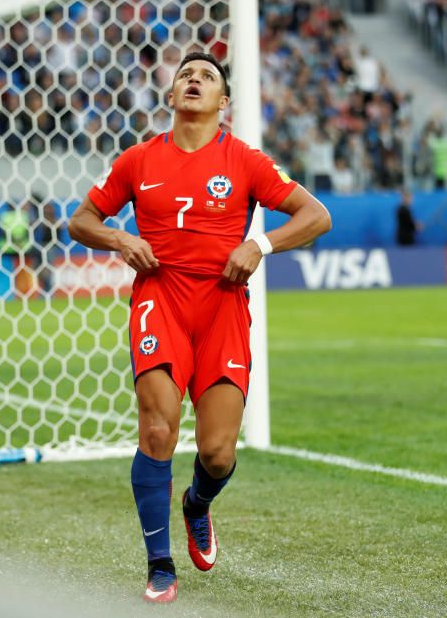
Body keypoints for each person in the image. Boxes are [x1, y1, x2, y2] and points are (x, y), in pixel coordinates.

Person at [68, 52, 331, 604]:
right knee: (158, 430)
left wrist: (258, 244)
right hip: (160, 299)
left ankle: (197, 505)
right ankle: (160, 563)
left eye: (207, 77)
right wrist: (122, 238)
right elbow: (81, 221)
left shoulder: (245, 161)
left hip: (222, 308)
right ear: (170, 96)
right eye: (185, 74)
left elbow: (316, 216)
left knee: (217, 453)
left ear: (223, 102)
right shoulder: (137, 161)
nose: (194, 80)